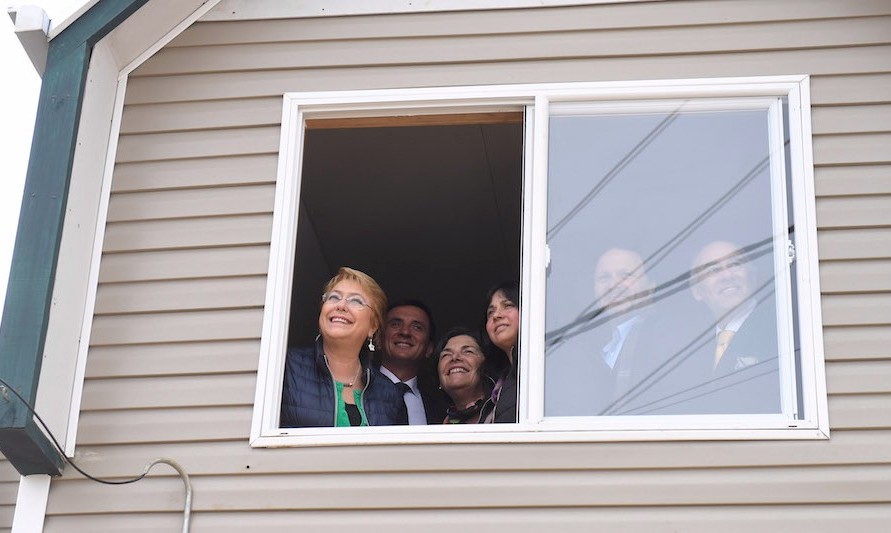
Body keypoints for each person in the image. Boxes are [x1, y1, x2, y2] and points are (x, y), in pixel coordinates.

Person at [280, 267, 408, 427]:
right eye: (333, 297)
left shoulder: (390, 395)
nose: (341, 305)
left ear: (373, 326)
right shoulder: (285, 367)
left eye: (355, 301)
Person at [684, 240, 781, 413]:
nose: (727, 276)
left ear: (752, 277)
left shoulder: (780, 327)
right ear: (697, 291)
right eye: (713, 270)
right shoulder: (688, 347)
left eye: (735, 264)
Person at [378, 300, 448, 424]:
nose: (405, 332)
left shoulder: (442, 404)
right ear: (379, 339)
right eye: (395, 324)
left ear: (429, 348)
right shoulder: (357, 387)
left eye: (417, 327)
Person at [436, 327, 494, 424]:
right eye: (446, 354)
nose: (454, 357)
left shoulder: (503, 412)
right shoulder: (440, 424)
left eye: (468, 351)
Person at [483, 281, 519, 423]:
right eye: (490, 312)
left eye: (508, 305)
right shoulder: (496, 387)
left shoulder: (546, 368)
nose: (496, 315)